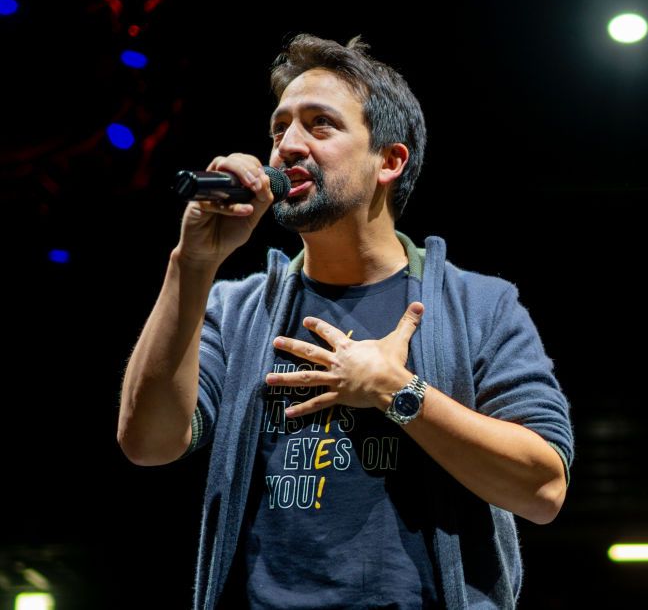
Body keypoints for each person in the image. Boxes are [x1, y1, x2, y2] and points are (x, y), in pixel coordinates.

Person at [116, 33, 574, 609]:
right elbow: (148, 443)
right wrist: (192, 264)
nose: (286, 147)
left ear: (389, 160)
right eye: (279, 129)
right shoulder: (233, 310)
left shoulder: (480, 305)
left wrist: (395, 390)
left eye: (320, 125)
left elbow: (542, 488)